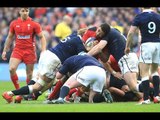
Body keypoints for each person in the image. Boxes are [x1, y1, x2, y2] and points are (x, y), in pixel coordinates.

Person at [2, 24, 107, 104]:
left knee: (41, 81)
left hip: (47, 55)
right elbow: (84, 56)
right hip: (54, 60)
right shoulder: (79, 43)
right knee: (41, 85)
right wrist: (91, 49)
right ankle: (11, 93)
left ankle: (20, 95)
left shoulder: (73, 36)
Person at [1, 8, 46, 103]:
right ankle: (18, 91)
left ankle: (21, 95)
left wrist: (43, 50)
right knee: (11, 69)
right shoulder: (14, 23)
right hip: (17, 50)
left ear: (28, 12)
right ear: (19, 12)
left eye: (26, 11)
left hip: (30, 51)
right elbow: (9, 37)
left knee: (29, 75)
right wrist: (5, 50)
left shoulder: (34, 24)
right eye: (23, 11)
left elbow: (42, 37)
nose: (25, 13)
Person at [87, 23, 142, 100]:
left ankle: (146, 96)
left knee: (132, 86)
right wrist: (100, 53)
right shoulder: (111, 38)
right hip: (129, 58)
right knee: (133, 86)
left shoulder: (109, 33)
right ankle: (148, 96)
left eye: (100, 32)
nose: (98, 33)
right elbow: (105, 59)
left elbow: (98, 48)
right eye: (98, 31)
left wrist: (85, 56)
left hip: (126, 58)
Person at [125, 7, 160, 104]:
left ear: (142, 8)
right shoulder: (158, 16)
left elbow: (131, 32)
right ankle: (157, 96)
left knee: (144, 73)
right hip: (157, 44)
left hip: (146, 45)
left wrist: (127, 46)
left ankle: (146, 99)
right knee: (154, 71)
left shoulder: (139, 17)